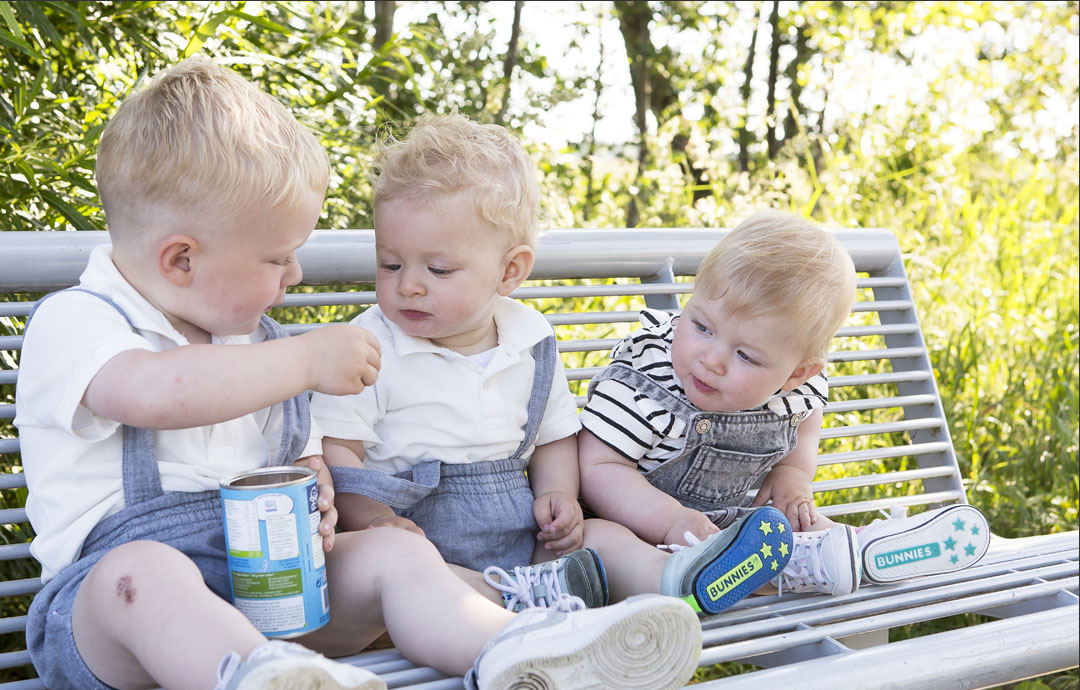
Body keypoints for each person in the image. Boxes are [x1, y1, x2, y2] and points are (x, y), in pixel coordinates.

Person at [14, 59, 702, 690]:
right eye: (278, 258)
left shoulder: (255, 345)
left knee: (397, 557)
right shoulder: (79, 322)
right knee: (145, 572)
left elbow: (299, 449)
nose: (295, 278)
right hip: (111, 620)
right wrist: (308, 363)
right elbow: (151, 393)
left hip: (274, 591)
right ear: (181, 260)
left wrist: (318, 494)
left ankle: (516, 657)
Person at [310, 114, 795, 618]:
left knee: (600, 536)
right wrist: (375, 521)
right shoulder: (366, 346)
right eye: (390, 264)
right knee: (412, 567)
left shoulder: (529, 338)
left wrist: (558, 494)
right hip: (418, 540)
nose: (408, 284)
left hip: (523, 537)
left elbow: (554, 437)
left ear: (510, 271)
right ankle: (520, 604)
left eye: (437, 269)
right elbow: (338, 450)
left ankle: (676, 580)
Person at [578, 210, 991, 605]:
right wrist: (670, 520)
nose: (711, 359)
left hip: (734, 532)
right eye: (702, 326)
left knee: (796, 527)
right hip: (628, 523)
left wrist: (792, 473)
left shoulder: (795, 391)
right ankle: (687, 576)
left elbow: (807, 418)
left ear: (797, 373)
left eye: (746, 356)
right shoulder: (648, 379)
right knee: (596, 540)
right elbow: (597, 468)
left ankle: (860, 551)